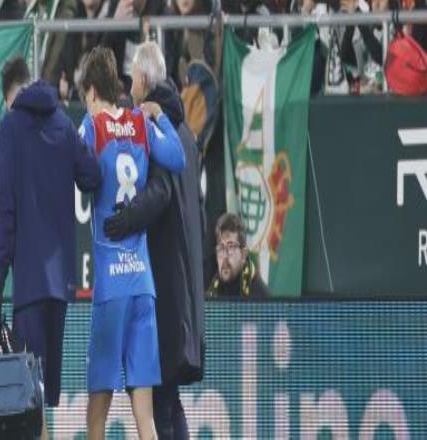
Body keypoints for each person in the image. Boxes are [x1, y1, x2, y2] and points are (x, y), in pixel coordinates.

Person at [0, 55, 101, 439]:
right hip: (60, 286)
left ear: (10, 96)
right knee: (38, 404)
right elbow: (92, 176)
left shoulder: (10, 128)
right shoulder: (63, 123)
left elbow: (6, 210)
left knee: (25, 405)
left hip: (29, 287)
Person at [78, 47, 185, 440]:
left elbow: (74, 169)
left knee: (97, 413)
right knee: (146, 416)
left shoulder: (91, 127)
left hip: (111, 287)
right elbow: (177, 158)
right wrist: (160, 117)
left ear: (91, 92)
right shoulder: (140, 122)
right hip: (143, 284)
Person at [103, 41, 205, 439]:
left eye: (132, 80)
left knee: (160, 400)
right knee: (169, 398)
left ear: (144, 80)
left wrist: (124, 218)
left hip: (164, 280)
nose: (129, 88)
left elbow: (159, 193)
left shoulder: (157, 128)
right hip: (185, 282)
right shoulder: (186, 133)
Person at [207, 213, 270, 299]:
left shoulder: (259, 296)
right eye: (221, 248)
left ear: (243, 255)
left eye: (230, 247)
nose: (224, 256)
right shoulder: (211, 289)